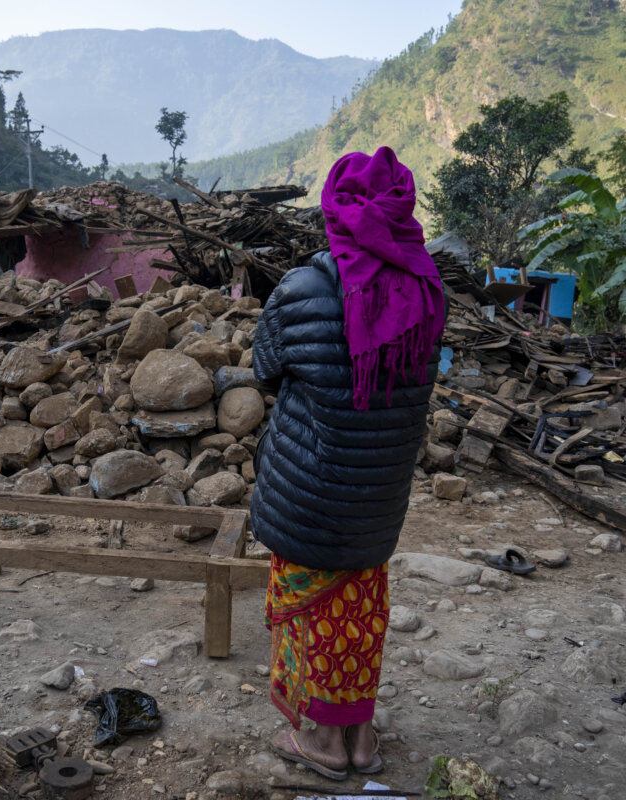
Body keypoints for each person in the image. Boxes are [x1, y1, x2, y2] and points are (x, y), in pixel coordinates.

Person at [253, 147, 445, 780]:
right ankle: (360, 741)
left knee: (313, 614)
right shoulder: (425, 288)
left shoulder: (302, 287)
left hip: (309, 491)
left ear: (334, 208)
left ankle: (324, 746)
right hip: (379, 498)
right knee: (359, 616)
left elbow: (266, 370)